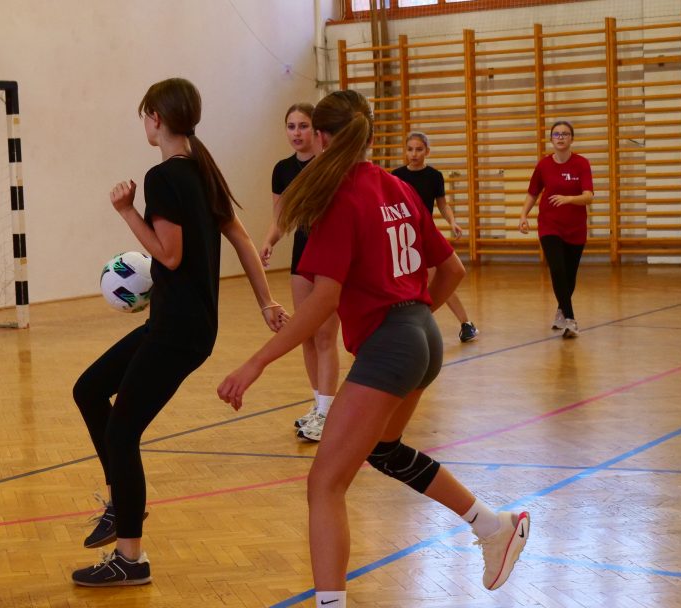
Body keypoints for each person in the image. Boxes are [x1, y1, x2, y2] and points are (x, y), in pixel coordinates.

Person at [217, 90, 529, 607]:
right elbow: (452, 270)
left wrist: (256, 362)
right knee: (384, 450)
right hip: (422, 337)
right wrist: (411, 319)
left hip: (392, 346)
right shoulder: (397, 187)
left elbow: (323, 301)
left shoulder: (339, 199)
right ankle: (493, 526)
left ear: (321, 137)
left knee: (324, 485)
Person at [70, 78, 286, 587]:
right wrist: (266, 301)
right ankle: (121, 504)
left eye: (144, 115)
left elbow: (168, 255)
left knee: (122, 432)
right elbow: (242, 238)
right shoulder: (202, 169)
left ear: (157, 118)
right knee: (89, 389)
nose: (144, 124)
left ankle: (131, 557)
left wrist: (126, 211)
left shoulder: (165, 176)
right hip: (180, 325)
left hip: (177, 330)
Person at [259, 103, 340, 441]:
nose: (297, 132)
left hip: (331, 255)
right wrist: (269, 241)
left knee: (325, 336)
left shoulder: (330, 165)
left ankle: (328, 412)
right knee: (306, 334)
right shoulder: (282, 170)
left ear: (316, 130)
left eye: (303, 126)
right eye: (291, 126)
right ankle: (318, 405)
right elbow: (282, 217)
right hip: (301, 255)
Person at [392, 132, 480, 343]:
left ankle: (466, 324)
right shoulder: (395, 176)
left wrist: (452, 222)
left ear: (427, 151)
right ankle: (403, 325)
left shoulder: (434, 176)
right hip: (403, 236)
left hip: (425, 235)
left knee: (438, 279)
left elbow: (442, 204)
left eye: (419, 149)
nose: (414, 154)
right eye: (410, 149)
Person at [519, 120, 594, 338]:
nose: (560, 137)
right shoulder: (543, 165)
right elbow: (533, 193)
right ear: (551, 139)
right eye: (556, 134)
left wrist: (569, 199)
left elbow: (589, 196)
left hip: (575, 228)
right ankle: (570, 319)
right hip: (549, 225)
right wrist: (523, 215)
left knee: (569, 276)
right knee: (558, 269)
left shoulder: (581, 163)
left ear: (572, 138)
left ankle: (561, 312)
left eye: (565, 134)